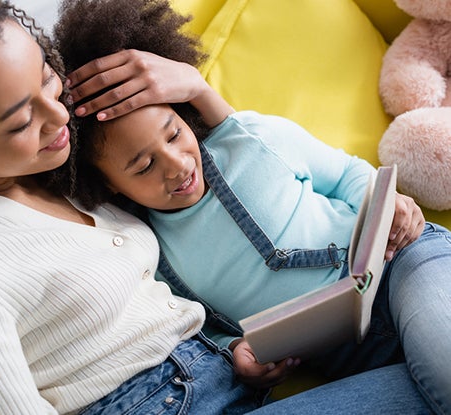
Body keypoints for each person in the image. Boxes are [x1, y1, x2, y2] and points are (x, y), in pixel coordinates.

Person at [0, 0, 434, 414]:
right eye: (21, 121)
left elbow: (225, 186)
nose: (58, 116)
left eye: (48, 80)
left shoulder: (67, 171)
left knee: (429, 380)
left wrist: (194, 89)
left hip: (227, 383)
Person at [55, 0, 451, 413]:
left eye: (174, 135)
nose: (176, 165)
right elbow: (204, 327)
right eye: (144, 166)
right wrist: (238, 352)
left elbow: (350, 175)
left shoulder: (247, 138)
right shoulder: (151, 256)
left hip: (404, 266)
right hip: (349, 357)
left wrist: (393, 204)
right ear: (109, 187)